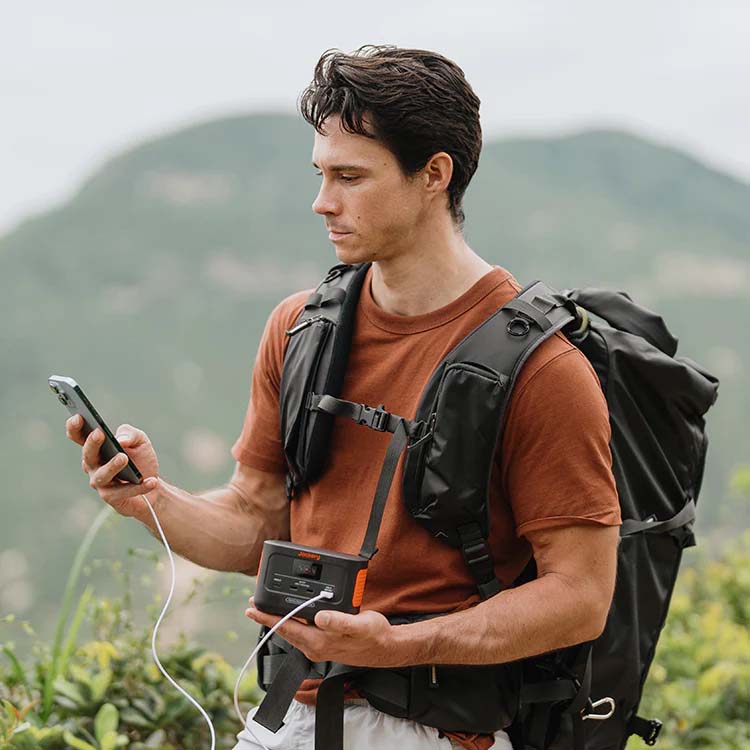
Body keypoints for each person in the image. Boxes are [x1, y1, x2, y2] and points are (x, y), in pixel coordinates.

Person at [66, 46, 621, 750]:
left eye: (351, 177)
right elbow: (254, 521)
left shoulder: (542, 368)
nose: (322, 201)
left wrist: (401, 644)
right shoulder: (301, 328)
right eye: (322, 174)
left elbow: (580, 598)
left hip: (435, 732)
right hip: (289, 715)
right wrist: (149, 498)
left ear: (435, 176)